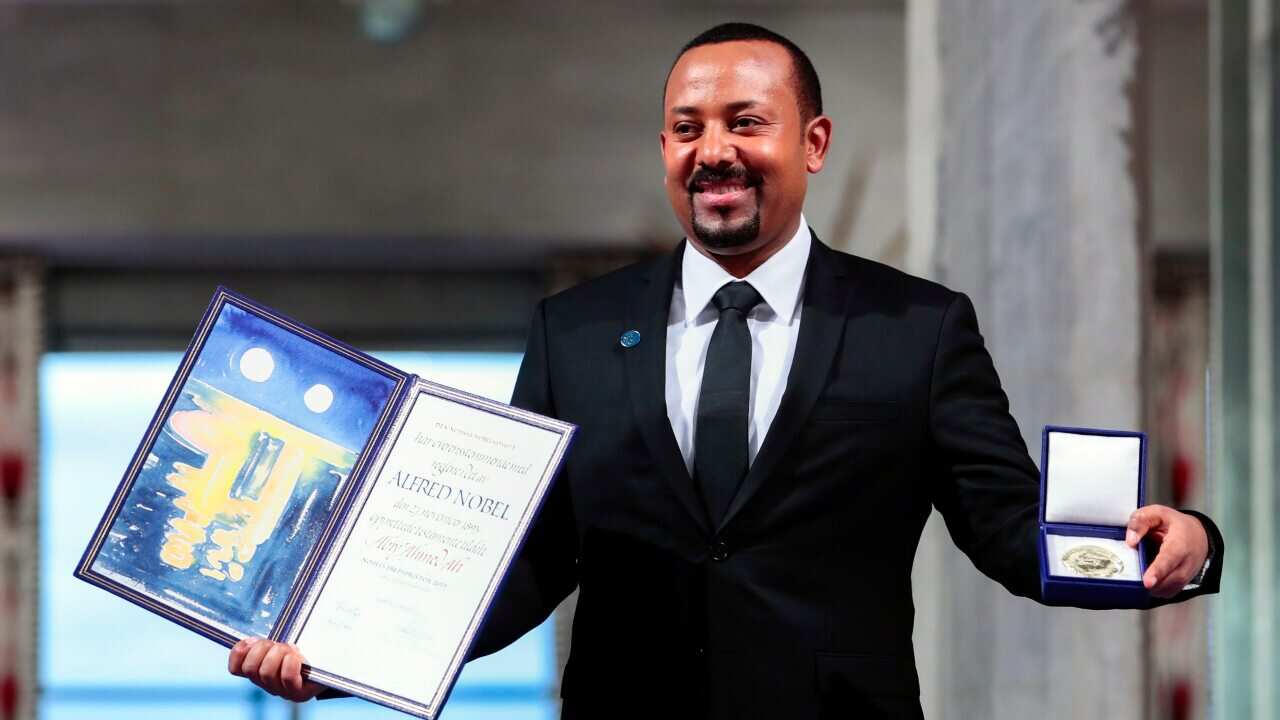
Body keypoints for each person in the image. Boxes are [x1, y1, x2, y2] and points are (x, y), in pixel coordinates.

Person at [229, 22, 1222, 718]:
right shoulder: (574, 330)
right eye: (688, 127)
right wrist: (344, 659)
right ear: (663, 146)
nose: (715, 151)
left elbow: (1009, 529)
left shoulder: (914, 329)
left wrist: (1175, 546)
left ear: (812, 141)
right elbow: (522, 560)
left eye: (746, 121)